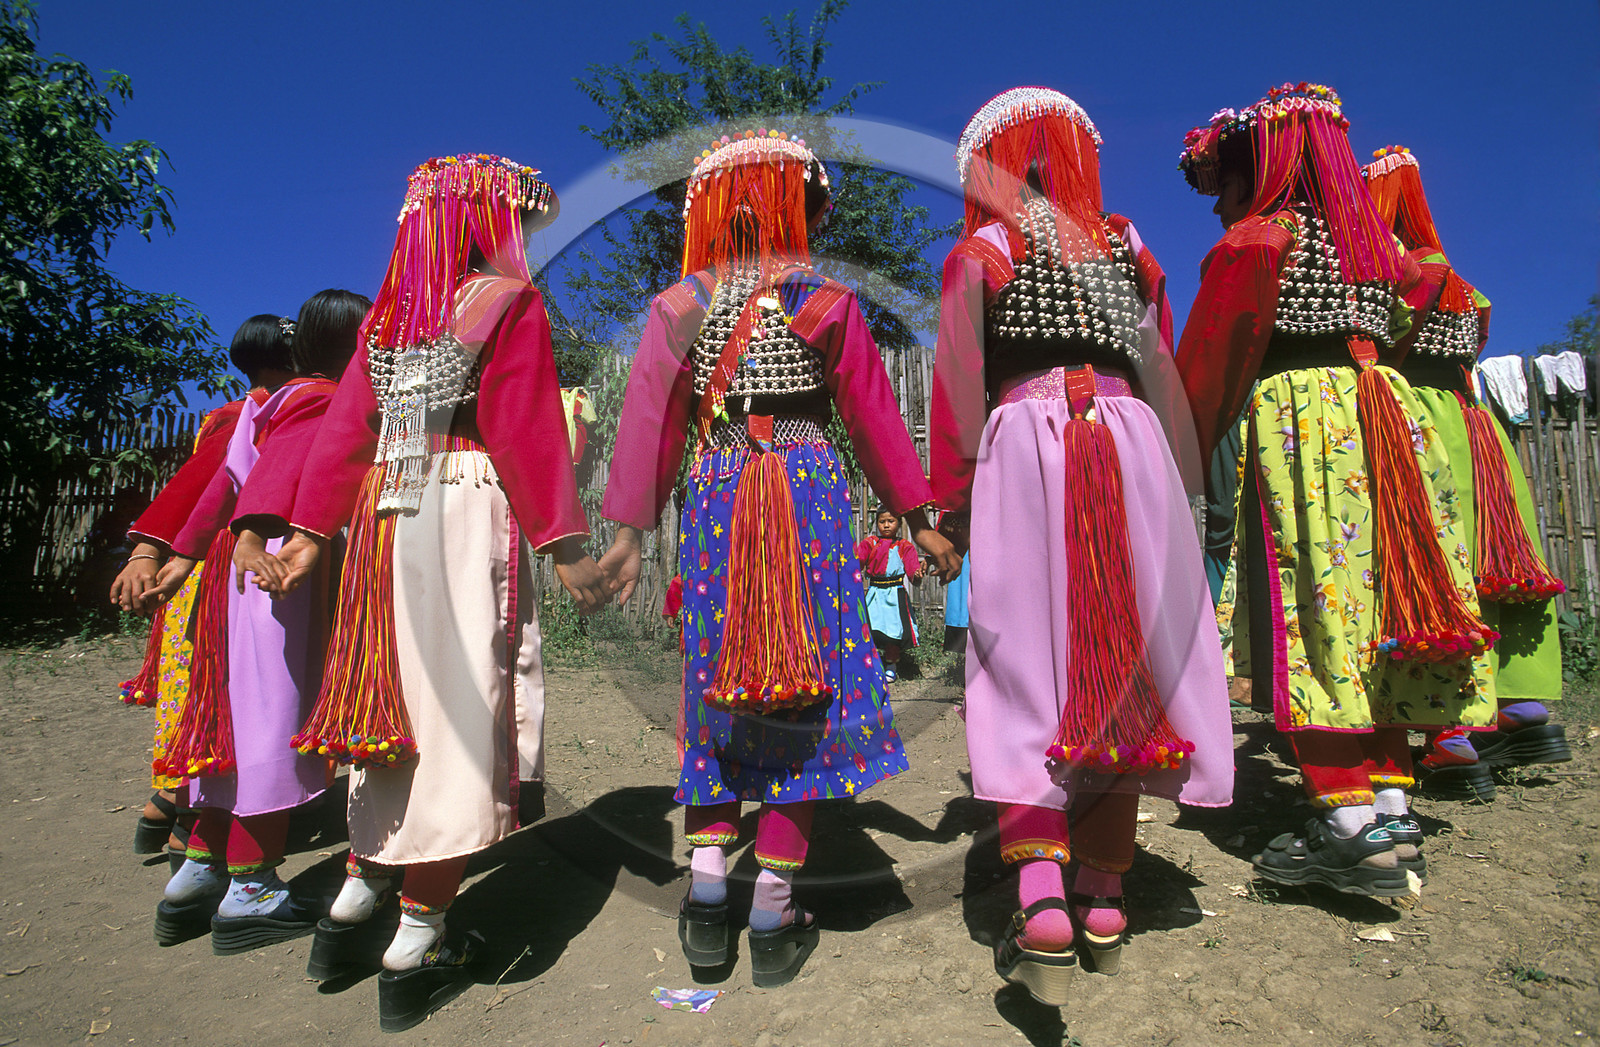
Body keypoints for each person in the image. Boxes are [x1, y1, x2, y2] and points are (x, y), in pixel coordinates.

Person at [598, 128, 960, 988]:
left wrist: (629, 533)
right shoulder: (826, 300)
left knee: (721, 676)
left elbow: (652, 424)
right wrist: (918, 517)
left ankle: (709, 897)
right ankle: (775, 905)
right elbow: (871, 413)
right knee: (807, 676)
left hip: (721, 493)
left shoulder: (677, 306)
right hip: (810, 494)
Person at [253, 155, 606, 1033]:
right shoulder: (505, 302)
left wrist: (305, 534)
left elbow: (345, 435)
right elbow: (524, 425)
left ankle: (350, 899)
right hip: (457, 506)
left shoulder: (387, 321)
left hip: (381, 515)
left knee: (390, 700)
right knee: (454, 713)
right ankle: (420, 934)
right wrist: (563, 543)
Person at [930, 87, 1232, 1003]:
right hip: (1131, 438)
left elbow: (956, 388)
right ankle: (1105, 894)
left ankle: (1040, 893)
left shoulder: (981, 252)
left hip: (1025, 443)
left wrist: (947, 507)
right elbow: (1161, 358)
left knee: (1028, 660)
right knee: (1124, 652)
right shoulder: (1129, 248)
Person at [1177, 84, 1497, 898]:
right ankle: (1393, 808)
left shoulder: (1259, 241)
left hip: (1304, 428)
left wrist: (1175, 450)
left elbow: (1209, 367)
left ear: (1259, 168)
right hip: (1387, 419)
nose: (1219, 204)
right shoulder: (1380, 251)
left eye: (1226, 181)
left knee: (1309, 609)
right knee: (1384, 609)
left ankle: (1349, 826)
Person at [149, 291, 368, 952]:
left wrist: (185, 554)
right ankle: (250, 886)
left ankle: (196, 869)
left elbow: (217, 484)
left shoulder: (259, 406)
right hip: (281, 570)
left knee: (234, 715)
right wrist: (253, 535)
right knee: (271, 720)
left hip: (247, 571)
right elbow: (274, 477)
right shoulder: (321, 398)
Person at [1362, 146, 1568, 801]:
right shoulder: (1461, 284)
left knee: (1435, 565)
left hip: (1420, 421)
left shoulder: (1392, 277)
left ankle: (1446, 732)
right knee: (1496, 561)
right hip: (1478, 427)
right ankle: (1519, 708)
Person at [110, 317, 296, 861]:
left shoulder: (236, 412)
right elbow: (200, 485)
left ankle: (169, 808)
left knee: (204, 689)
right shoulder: (250, 414)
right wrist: (148, 550)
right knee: (222, 693)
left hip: (215, 565)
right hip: (228, 571)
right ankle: (189, 826)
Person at [855, 507, 921, 681]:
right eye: (882, 522)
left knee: (893, 633)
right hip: (875, 593)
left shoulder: (904, 546)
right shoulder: (870, 543)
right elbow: (857, 562)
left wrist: (917, 574)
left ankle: (891, 666)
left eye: (890, 521)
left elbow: (912, 568)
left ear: (898, 524)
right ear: (877, 523)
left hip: (894, 595)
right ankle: (873, 665)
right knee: (870, 629)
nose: (886, 525)